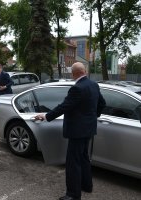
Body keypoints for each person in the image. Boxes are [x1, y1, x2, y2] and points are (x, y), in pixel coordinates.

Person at [35, 62, 106, 200]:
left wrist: (47, 116)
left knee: (73, 162)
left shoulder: (77, 88)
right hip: (89, 128)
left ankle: (73, 195)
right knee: (84, 158)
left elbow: (64, 107)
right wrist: (92, 117)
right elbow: (102, 104)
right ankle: (87, 185)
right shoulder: (93, 85)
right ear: (84, 71)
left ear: (74, 73)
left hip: (77, 131)